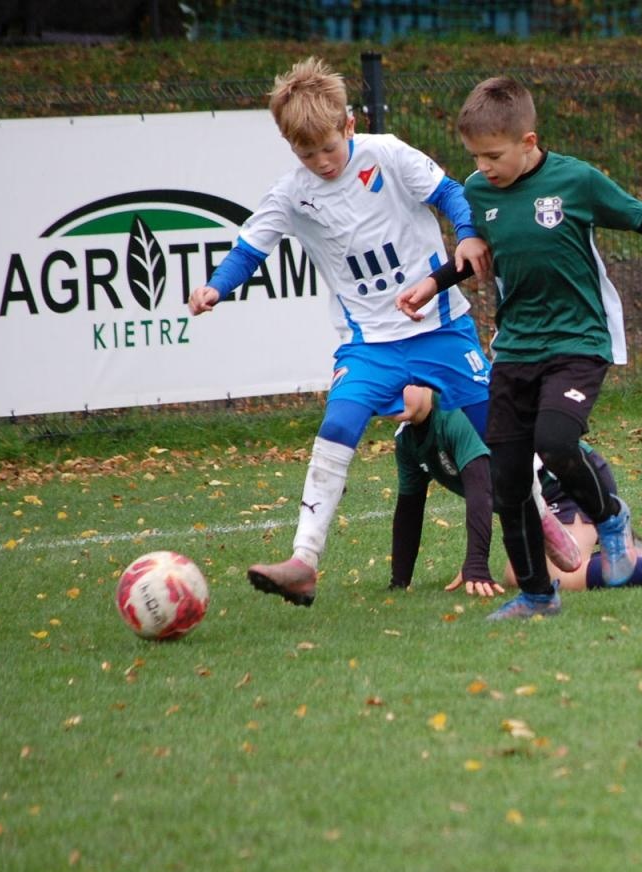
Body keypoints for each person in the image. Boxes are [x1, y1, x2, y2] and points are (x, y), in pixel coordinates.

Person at [395, 75, 642, 621]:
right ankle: (537, 596)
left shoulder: (575, 181)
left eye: (493, 155)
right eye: (475, 157)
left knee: (556, 441)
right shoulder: (479, 192)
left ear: (528, 142)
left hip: (579, 341)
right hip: (515, 349)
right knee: (508, 481)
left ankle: (610, 515)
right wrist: (432, 284)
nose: (483, 168)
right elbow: (476, 255)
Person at [187, 56, 492, 608]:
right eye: (308, 154)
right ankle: (303, 561)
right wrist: (216, 287)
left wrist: (467, 234)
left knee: (499, 431)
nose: (322, 162)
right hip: (370, 344)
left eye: (329, 148)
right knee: (339, 420)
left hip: (440, 327)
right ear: (290, 149)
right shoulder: (291, 193)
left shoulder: (388, 154)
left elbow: (450, 193)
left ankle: (545, 520)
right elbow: (252, 247)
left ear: (349, 125)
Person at [388, 386, 642, 600]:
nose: (391, 394)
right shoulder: (406, 440)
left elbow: (480, 491)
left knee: (540, 575)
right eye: (385, 386)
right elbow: (408, 508)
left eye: (401, 384)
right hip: (534, 503)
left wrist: (476, 565)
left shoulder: (453, 415)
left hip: (569, 484)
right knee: (522, 571)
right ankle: (629, 549)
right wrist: (399, 582)